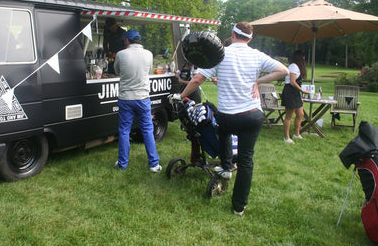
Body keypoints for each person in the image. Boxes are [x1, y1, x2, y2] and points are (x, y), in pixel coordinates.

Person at [170, 22, 289, 216]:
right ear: (250, 39)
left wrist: (181, 95)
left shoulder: (220, 55)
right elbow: (283, 71)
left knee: (224, 129)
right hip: (253, 115)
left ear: (232, 34)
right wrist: (258, 81)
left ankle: (226, 166)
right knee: (246, 160)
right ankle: (238, 207)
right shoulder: (257, 55)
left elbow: (197, 80)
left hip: (228, 116)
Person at [114, 29, 161, 172]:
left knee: (124, 131)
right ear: (138, 40)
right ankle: (154, 164)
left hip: (126, 98)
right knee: (147, 130)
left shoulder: (121, 54)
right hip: (142, 97)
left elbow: (117, 71)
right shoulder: (149, 54)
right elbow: (147, 71)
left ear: (127, 41)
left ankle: (122, 164)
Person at [281, 50, 310, 144]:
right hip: (290, 92)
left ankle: (296, 134)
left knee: (300, 114)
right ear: (300, 57)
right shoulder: (293, 66)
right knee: (289, 115)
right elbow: (292, 82)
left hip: (295, 93)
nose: (304, 58)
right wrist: (303, 90)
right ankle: (286, 137)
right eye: (303, 56)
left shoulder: (298, 67)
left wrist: (300, 95)